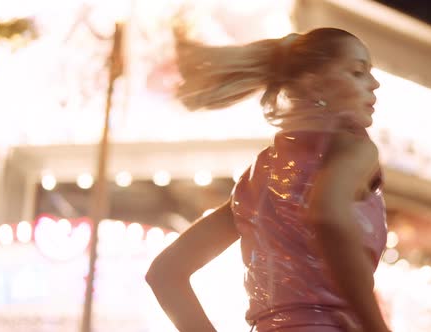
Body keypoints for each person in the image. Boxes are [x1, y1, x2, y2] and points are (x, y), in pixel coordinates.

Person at [146, 27, 391, 332]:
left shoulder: (258, 174)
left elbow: (165, 273)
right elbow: (326, 214)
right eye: (357, 72)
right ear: (313, 84)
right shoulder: (353, 149)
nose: (375, 84)